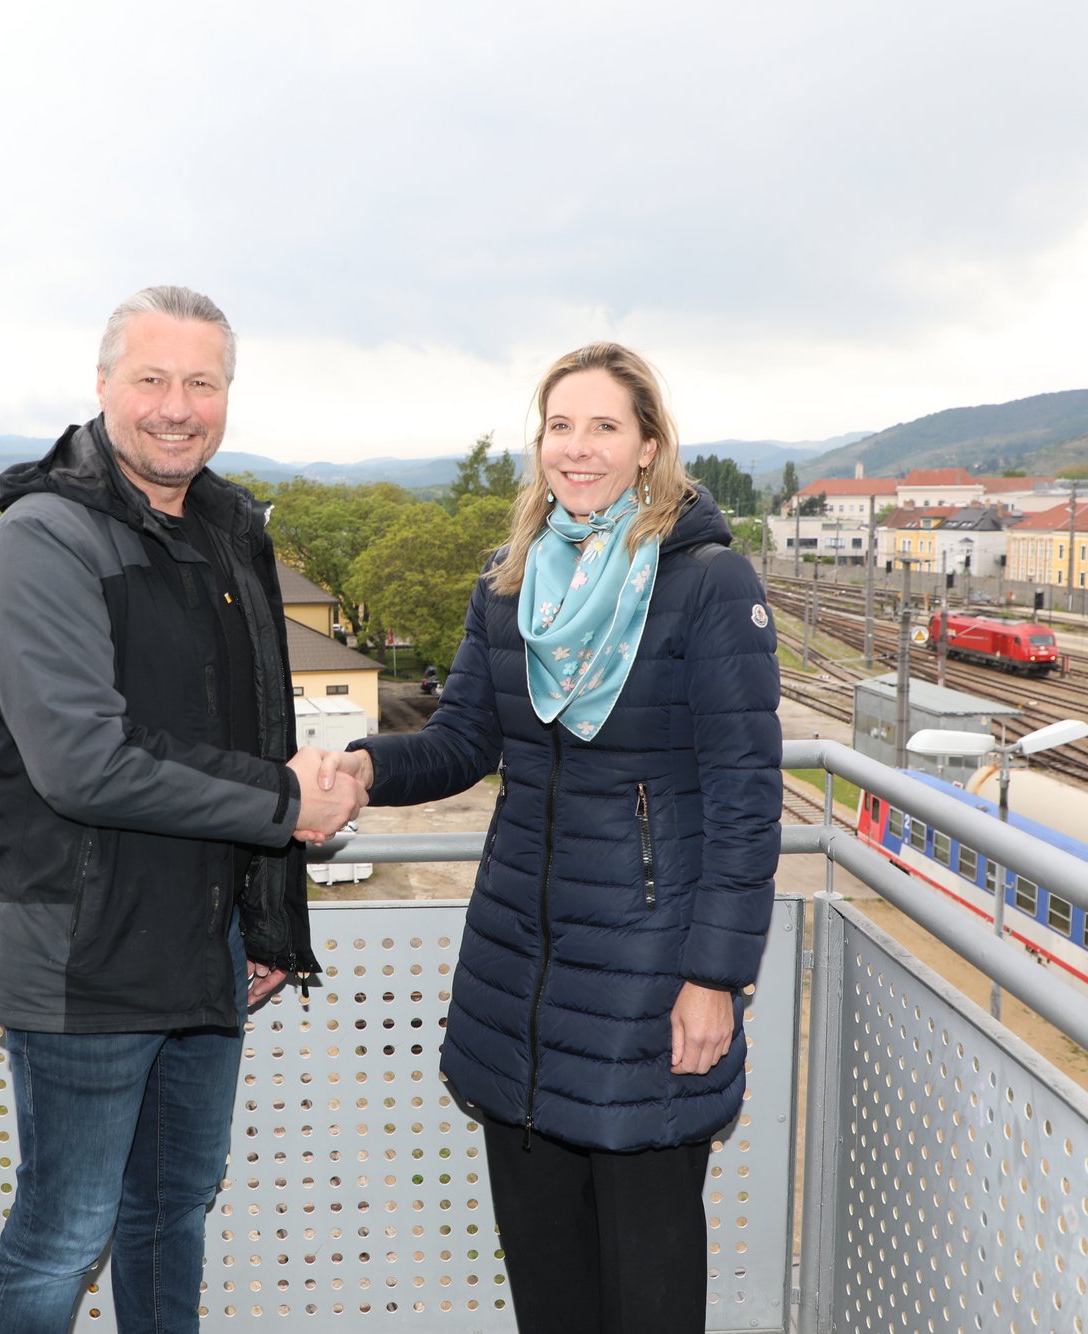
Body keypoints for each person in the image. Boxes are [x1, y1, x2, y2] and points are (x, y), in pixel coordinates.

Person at [322, 341, 781, 1332]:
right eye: (558, 426)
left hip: (645, 989)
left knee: (646, 1295)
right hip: (516, 989)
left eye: (602, 426)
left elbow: (746, 800)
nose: (575, 448)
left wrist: (714, 977)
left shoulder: (706, 585)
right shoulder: (510, 583)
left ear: (648, 445)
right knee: (551, 1297)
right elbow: (459, 740)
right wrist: (362, 765)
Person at [0, 284, 368, 1333]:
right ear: (102, 386)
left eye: (202, 381)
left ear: (226, 393)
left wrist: (268, 911)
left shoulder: (229, 534)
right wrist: (286, 804)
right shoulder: (42, 540)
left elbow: (250, 728)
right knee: (66, 1229)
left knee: (170, 1209)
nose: (175, 405)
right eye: (151, 378)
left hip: (208, 947)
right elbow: (83, 762)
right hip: (86, 955)